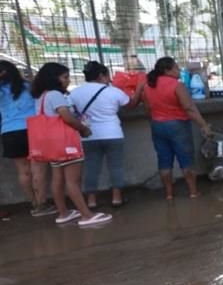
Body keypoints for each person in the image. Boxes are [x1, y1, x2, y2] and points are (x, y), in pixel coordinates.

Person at [30, 63, 112, 226]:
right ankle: (86, 215)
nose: (68, 81)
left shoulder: (41, 96)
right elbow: (66, 117)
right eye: (65, 77)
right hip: (66, 143)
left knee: (58, 179)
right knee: (73, 180)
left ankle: (63, 213)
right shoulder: (56, 95)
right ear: (55, 79)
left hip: (51, 145)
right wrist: (83, 129)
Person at [136, 57, 211, 199]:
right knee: (186, 159)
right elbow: (189, 108)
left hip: (157, 126)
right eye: (176, 68)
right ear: (167, 70)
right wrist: (203, 125)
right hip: (178, 125)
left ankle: (169, 194)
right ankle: (193, 192)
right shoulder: (177, 85)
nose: (179, 71)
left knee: (164, 161)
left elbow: (148, 109)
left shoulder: (148, 86)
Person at [70, 61, 132, 209]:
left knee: (91, 168)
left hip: (88, 135)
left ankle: (91, 201)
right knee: (116, 167)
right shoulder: (113, 91)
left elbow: (70, 113)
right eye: (107, 76)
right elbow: (129, 104)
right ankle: (116, 199)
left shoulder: (75, 93)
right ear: (101, 75)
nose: (109, 79)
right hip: (113, 134)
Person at [0, 59, 53, 216]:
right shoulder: (29, 87)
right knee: (38, 168)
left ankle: (34, 204)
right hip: (32, 129)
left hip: (9, 132)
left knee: (23, 171)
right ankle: (42, 205)